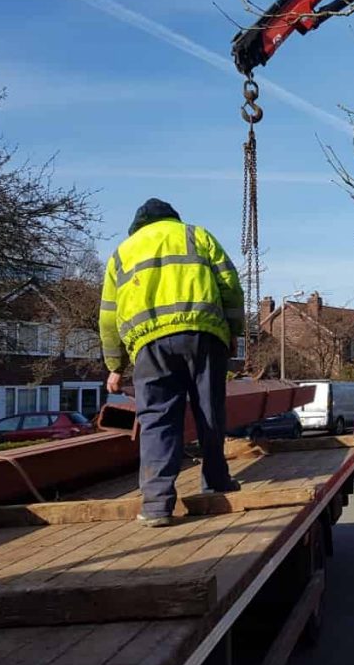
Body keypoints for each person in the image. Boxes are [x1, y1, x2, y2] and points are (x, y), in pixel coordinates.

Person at [99, 198, 245, 527]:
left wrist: (115, 364)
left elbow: (108, 316)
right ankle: (216, 480)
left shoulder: (122, 253)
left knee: (156, 420)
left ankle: (156, 505)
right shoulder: (197, 236)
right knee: (209, 410)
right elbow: (231, 287)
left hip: (148, 344)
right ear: (174, 219)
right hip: (202, 333)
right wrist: (234, 331)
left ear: (137, 227)